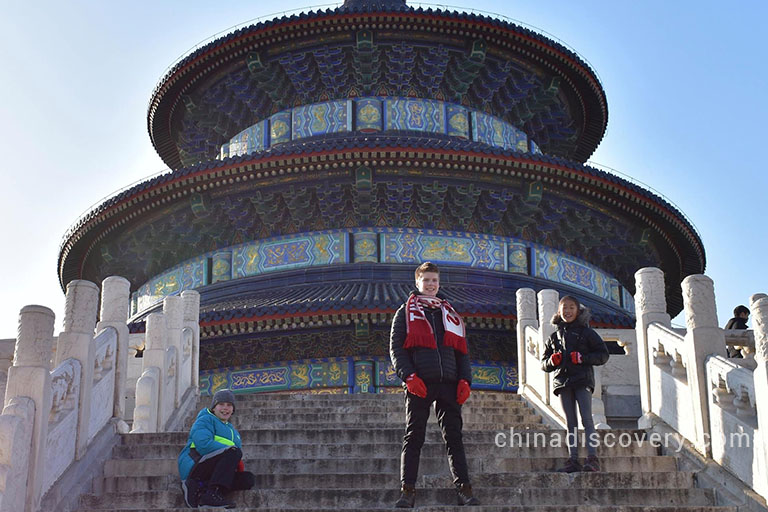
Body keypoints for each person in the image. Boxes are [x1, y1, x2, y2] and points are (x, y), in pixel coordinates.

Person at [389, 262, 479, 508]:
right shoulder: (404, 313)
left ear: (439, 284)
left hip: (449, 384)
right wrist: (408, 376)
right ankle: (407, 491)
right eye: (426, 280)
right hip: (420, 382)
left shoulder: (449, 313)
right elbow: (397, 349)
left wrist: (465, 379)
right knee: (414, 436)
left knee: (454, 438)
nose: (430, 285)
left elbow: (462, 351)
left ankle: (464, 490)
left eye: (434, 281)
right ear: (417, 282)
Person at [541, 295, 609, 473]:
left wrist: (583, 358)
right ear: (559, 312)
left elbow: (603, 354)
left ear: (578, 311)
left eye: (571, 307)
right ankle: (573, 459)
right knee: (570, 422)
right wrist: (552, 362)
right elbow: (544, 363)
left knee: (587, 419)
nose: (567, 311)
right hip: (563, 382)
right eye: (564, 308)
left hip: (582, 380)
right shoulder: (554, 337)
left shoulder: (587, 333)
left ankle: (592, 458)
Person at [178, 389, 255, 509]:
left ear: (233, 409)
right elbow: (203, 445)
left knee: (248, 479)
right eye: (221, 404)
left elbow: (232, 456)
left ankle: (198, 487)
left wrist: (236, 460)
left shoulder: (233, 431)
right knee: (233, 451)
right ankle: (212, 493)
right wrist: (232, 451)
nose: (225, 408)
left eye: (229, 405)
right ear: (214, 407)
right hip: (196, 463)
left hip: (214, 469)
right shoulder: (205, 419)